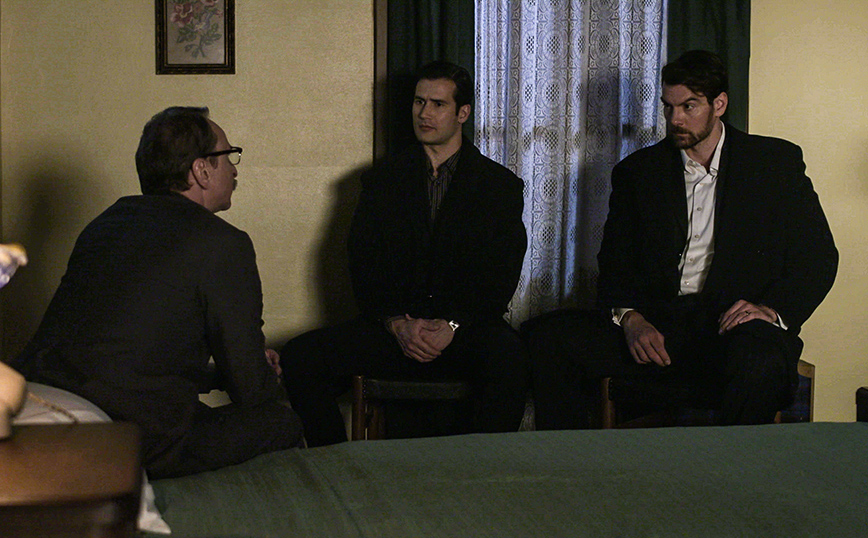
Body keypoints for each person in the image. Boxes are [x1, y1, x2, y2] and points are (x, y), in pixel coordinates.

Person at [526, 50, 838, 429]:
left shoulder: (773, 163)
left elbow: (818, 256)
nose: (675, 119)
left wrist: (771, 310)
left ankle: (732, 465)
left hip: (732, 326)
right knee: (548, 339)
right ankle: (570, 461)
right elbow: (615, 261)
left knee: (761, 362)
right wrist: (630, 318)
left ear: (719, 104)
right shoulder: (638, 172)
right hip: (659, 326)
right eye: (668, 107)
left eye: (689, 106)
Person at [12, 107, 302, 478]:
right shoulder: (223, 243)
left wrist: (220, 375)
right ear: (201, 170)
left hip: (37, 396)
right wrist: (263, 373)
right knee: (281, 421)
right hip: (126, 433)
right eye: (228, 156)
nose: (234, 169)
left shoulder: (106, 224)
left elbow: (123, 352)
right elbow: (252, 391)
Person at [281, 61, 528, 446]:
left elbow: (501, 273)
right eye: (418, 102)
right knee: (300, 357)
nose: (424, 113)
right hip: (394, 331)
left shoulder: (499, 186)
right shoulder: (381, 180)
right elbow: (362, 263)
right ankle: (335, 465)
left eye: (438, 104)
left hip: (464, 332)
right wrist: (396, 324)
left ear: (462, 113)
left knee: (511, 358)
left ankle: (481, 471)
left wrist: (452, 325)